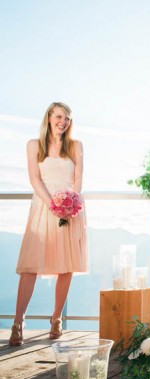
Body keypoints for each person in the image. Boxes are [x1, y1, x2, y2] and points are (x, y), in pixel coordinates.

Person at [9, 102, 89, 346]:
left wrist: (69, 205)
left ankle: (56, 319)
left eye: (67, 118)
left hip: (70, 211)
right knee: (30, 265)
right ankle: (18, 322)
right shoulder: (34, 145)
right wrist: (53, 205)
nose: (62, 122)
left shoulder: (75, 146)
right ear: (49, 118)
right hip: (43, 208)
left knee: (67, 265)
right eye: (58, 117)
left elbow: (78, 180)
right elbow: (34, 178)